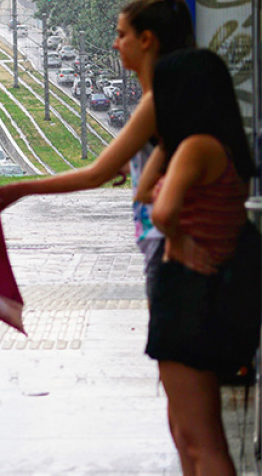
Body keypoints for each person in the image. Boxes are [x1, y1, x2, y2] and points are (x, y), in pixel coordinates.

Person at [0, 0, 196, 294]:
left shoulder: (154, 102)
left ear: (146, 40)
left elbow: (94, 175)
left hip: (168, 247)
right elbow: (168, 162)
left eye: (121, 35)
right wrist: (133, 167)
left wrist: (20, 189)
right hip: (166, 244)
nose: (115, 44)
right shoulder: (170, 95)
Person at [134, 48, 256, 475]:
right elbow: (144, 191)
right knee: (189, 435)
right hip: (202, 297)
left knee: (202, 441)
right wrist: (168, 140)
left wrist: (179, 238)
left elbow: (162, 212)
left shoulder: (197, 148)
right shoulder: (206, 146)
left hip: (188, 295)